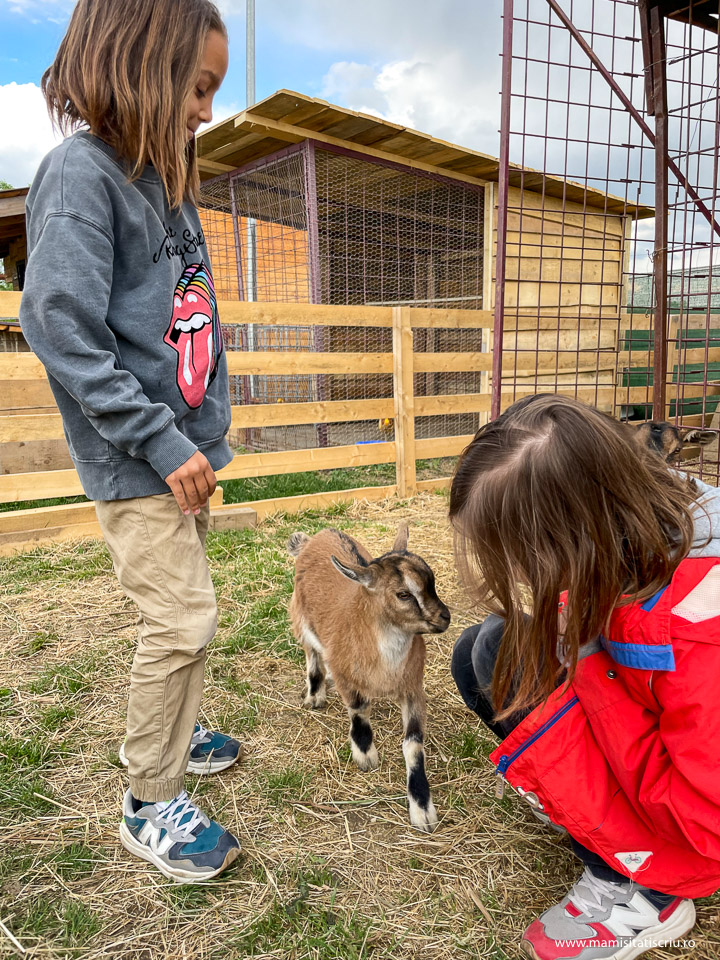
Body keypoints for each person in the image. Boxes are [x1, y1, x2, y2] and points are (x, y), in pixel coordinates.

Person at [20, 0, 243, 883]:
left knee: (185, 609)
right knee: (183, 617)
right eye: (198, 87)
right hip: (138, 456)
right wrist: (159, 438)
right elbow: (61, 324)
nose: (206, 109)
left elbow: (180, 313)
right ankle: (149, 797)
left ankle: (178, 736)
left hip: (176, 455)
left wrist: (200, 435)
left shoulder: (160, 181)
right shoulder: (80, 175)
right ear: (138, 64)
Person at [449, 394, 720, 960]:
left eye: (523, 555)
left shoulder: (699, 626)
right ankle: (604, 829)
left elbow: (705, 815)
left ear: (572, 534)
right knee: (486, 649)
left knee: (507, 661)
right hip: (657, 749)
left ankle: (647, 890)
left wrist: (590, 667)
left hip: (698, 828)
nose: (518, 571)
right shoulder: (634, 534)